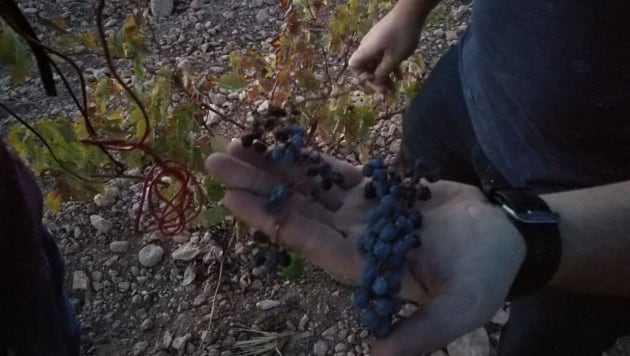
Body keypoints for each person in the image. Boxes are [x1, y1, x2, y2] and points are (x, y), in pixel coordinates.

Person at [207, 0, 630, 355]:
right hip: (468, 85)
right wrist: (409, 12)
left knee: (542, 340)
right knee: (408, 186)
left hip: (592, 212)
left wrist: (535, 239)